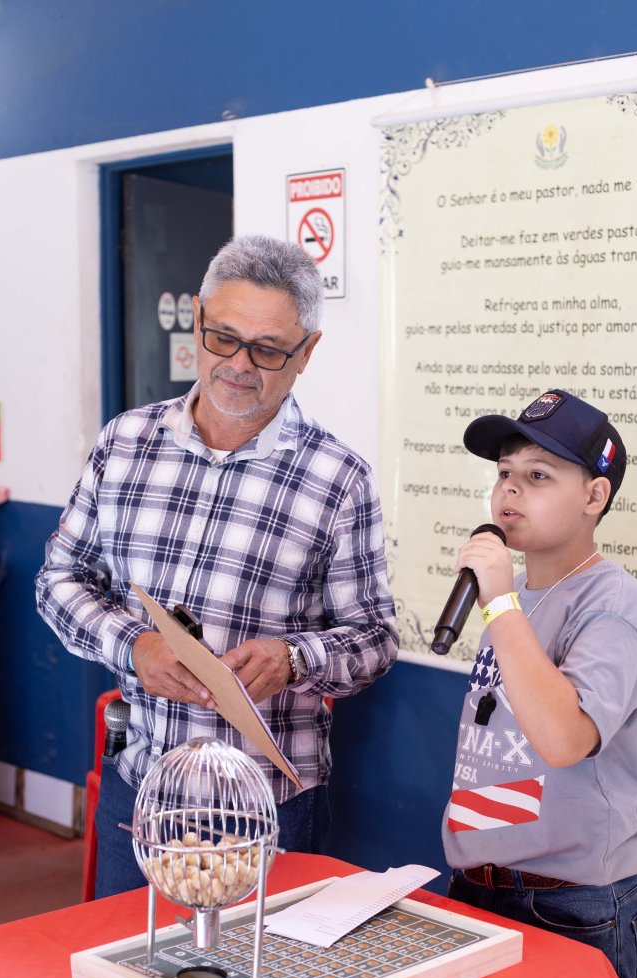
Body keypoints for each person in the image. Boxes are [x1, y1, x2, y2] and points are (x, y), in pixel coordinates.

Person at [36, 233, 398, 897]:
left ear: (307, 352)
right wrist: (135, 645)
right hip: (142, 795)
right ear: (198, 317)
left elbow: (374, 637)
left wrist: (295, 661)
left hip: (267, 810)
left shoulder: (336, 478)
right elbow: (59, 581)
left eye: (266, 349)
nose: (237, 364)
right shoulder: (125, 445)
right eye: (221, 336)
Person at [442, 388, 637, 978]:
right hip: (478, 886)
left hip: (567, 901)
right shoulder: (516, 598)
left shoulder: (612, 605)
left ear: (595, 497)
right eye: (505, 474)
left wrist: (499, 602)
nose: (510, 491)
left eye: (538, 475)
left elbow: (566, 739)